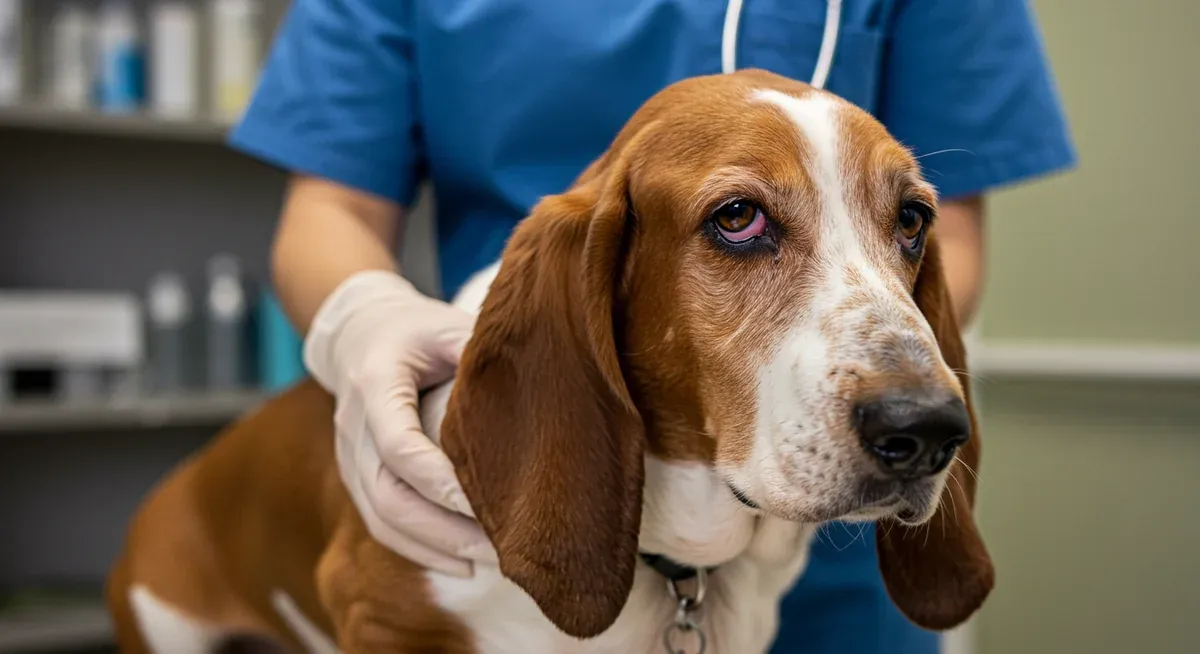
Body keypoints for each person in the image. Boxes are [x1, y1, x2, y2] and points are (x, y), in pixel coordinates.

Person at [228, 1, 1075, 651]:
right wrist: (363, 317)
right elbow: (332, 207)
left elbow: (951, 235)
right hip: (550, 420)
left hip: (822, 578)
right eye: (740, 217)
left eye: (904, 221)